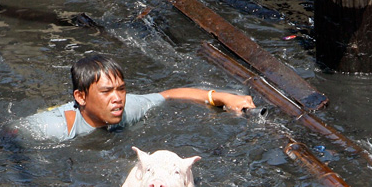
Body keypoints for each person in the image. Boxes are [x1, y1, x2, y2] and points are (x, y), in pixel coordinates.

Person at [18, 54, 256, 141]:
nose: (117, 98)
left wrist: (223, 98)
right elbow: (6, 136)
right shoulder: (53, 129)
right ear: (81, 96)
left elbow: (170, 95)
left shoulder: (127, 107)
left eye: (121, 89)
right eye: (106, 91)